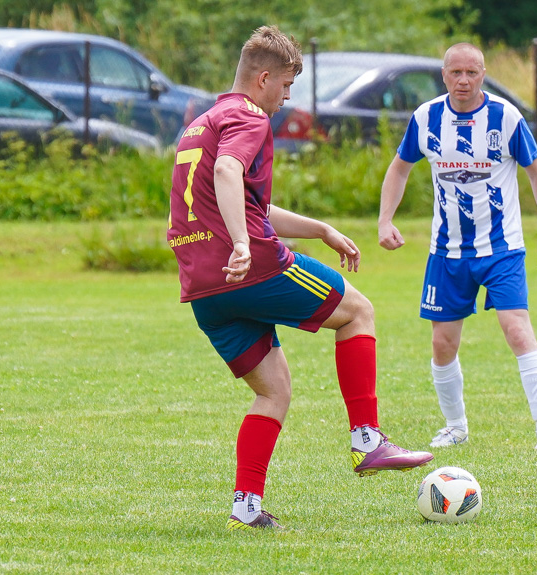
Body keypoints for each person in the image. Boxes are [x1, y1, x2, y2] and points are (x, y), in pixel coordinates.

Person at [167, 26, 433, 530]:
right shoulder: (249, 116)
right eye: (286, 86)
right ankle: (367, 439)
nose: (287, 97)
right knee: (358, 312)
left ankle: (245, 510)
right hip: (251, 266)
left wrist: (321, 229)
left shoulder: (202, 122)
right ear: (263, 78)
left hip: (205, 287)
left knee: (274, 391)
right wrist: (244, 244)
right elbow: (228, 175)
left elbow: (253, 204)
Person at [378, 42, 537, 452]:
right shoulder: (426, 117)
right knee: (442, 343)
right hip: (446, 252)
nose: (464, 80)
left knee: (517, 330)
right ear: (444, 75)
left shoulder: (506, 117)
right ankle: (455, 426)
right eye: (456, 73)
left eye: (473, 73)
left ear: (483, 74)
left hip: (502, 249)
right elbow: (399, 168)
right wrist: (385, 219)